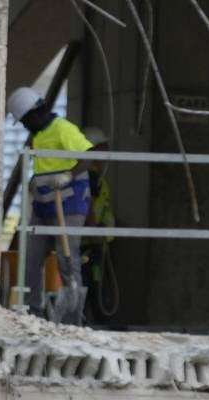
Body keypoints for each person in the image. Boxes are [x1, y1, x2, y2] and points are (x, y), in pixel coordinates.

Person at [9, 86, 94, 325]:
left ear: (37, 112)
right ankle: (32, 313)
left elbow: (89, 155)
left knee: (67, 260)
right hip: (44, 206)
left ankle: (70, 318)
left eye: (26, 121)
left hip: (69, 204)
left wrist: (69, 175)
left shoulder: (62, 129)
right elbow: (46, 167)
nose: (25, 126)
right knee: (30, 257)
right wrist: (34, 182)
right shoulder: (38, 136)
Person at [80, 126, 117, 322]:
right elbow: (89, 209)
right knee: (90, 287)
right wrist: (95, 233)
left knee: (96, 286)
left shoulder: (97, 179)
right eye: (102, 148)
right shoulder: (91, 178)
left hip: (97, 243)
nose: (106, 154)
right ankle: (87, 324)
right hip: (89, 245)